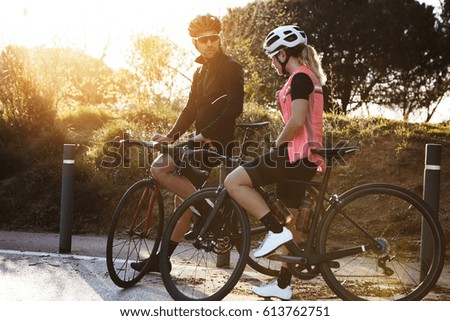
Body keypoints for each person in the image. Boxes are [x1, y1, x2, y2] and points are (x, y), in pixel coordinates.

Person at [131, 13, 244, 272]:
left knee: (159, 169)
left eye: (213, 38)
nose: (210, 43)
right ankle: (162, 261)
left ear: (219, 39)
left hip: (217, 142)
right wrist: (171, 136)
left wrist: (206, 134)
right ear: (195, 43)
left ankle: (208, 217)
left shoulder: (231, 67)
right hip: (200, 140)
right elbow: (190, 109)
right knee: (181, 200)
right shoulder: (199, 71)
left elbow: (234, 107)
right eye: (203, 40)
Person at [224, 25, 326, 300]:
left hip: (294, 156)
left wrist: (276, 145)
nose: (271, 62)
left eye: (272, 56)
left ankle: (274, 230)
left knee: (233, 181)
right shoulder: (308, 77)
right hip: (306, 158)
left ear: (283, 54)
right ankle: (283, 285)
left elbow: (296, 119)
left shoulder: (300, 79)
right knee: (289, 218)